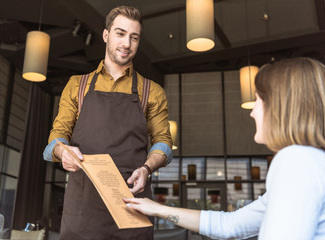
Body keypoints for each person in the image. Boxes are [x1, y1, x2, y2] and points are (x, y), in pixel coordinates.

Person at [124, 57, 325, 239]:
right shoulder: (310, 161)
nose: (252, 112)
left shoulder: (295, 160)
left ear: (281, 106)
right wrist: (157, 209)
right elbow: (229, 225)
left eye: (258, 100)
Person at [43, 5, 173, 240]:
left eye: (134, 37)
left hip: (132, 203)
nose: (127, 44)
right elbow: (54, 140)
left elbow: (164, 143)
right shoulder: (77, 85)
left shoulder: (151, 92)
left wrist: (146, 169)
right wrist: (62, 151)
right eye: (120, 34)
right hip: (83, 210)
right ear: (106, 35)